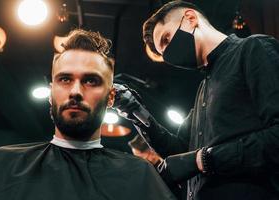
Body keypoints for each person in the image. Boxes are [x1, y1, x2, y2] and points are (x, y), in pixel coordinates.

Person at [0, 29, 177, 200]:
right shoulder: (0, 166)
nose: (75, 91)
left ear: (111, 97)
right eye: (65, 79)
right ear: (51, 93)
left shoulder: (140, 177)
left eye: (91, 81)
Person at [115, 1, 279, 200]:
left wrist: (206, 159)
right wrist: (134, 110)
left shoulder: (253, 48)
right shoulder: (204, 87)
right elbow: (179, 151)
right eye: (162, 53)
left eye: (166, 39)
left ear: (191, 19)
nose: (167, 55)